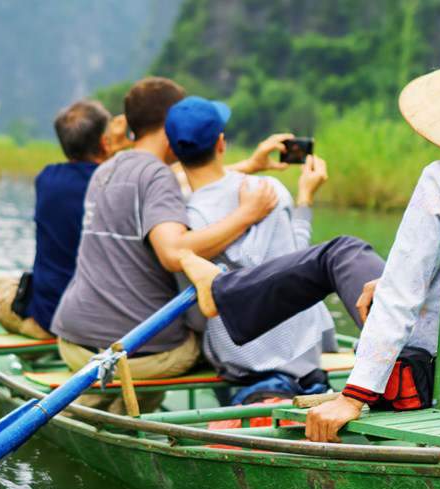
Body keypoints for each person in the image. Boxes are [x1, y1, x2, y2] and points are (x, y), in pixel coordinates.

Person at [177, 45, 440, 443]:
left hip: (426, 378)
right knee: (361, 267)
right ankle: (223, 293)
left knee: (342, 252)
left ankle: (219, 293)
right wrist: (393, 282)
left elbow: (401, 297)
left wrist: (355, 395)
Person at [49, 77, 278, 414]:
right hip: (136, 354)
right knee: (224, 341)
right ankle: (134, 417)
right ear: (171, 124)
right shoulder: (158, 177)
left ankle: (111, 412)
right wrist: (247, 214)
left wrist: (249, 166)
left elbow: (175, 181)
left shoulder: (107, 169)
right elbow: (173, 253)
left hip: (72, 340)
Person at [163, 96, 340, 405]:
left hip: (239, 359)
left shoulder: (176, 220)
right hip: (302, 353)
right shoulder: (269, 191)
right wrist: (305, 199)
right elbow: (300, 264)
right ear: (221, 143)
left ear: (172, 150)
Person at [0, 100, 120, 340]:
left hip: (49, 317)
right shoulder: (118, 185)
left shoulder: (47, 179)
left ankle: (37, 331)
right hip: (103, 318)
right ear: (104, 142)